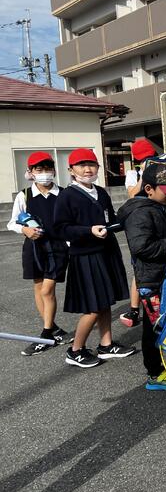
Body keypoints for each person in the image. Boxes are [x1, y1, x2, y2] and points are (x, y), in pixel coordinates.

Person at [53, 148, 136, 369]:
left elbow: (111, 219)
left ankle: (106, 344)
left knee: (105, 301)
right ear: (71, 170)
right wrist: (88, 231)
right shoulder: (67, 195)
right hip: (85, 256)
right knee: (93, 306)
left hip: (107, 252)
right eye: (81, 165)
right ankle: (75, 350)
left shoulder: (100, 192)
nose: (87, 169)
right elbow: (61, 229)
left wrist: (124, 220)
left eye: (91, 164)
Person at [118, 162, 166, 390]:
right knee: (154, 327)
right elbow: (142, 247)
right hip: (152, 279)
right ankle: (155, 373)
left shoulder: (160, 206)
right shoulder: (139, 212)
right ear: (148, 189)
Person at [7, 151, 71, 355]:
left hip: (57, 248)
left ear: (54, 170)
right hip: (34, 248)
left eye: (48, 168)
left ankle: (45, 335)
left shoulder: (64, 193)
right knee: (38, 287)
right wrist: (24, 230)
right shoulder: (24, 195)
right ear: (31, 172)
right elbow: (12, 222)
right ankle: (53, 329)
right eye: (39, 169)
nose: (45, 172)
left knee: (47, 290)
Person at [121, 138, 161, 329]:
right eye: (143, 159)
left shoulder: (162, 168)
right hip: (141, 219)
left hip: (159, 215)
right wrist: (144, 175)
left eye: (150, 158)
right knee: (139, 266)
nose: (147, 161)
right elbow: (132, 194)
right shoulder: (133, 174)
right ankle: (135, 308)